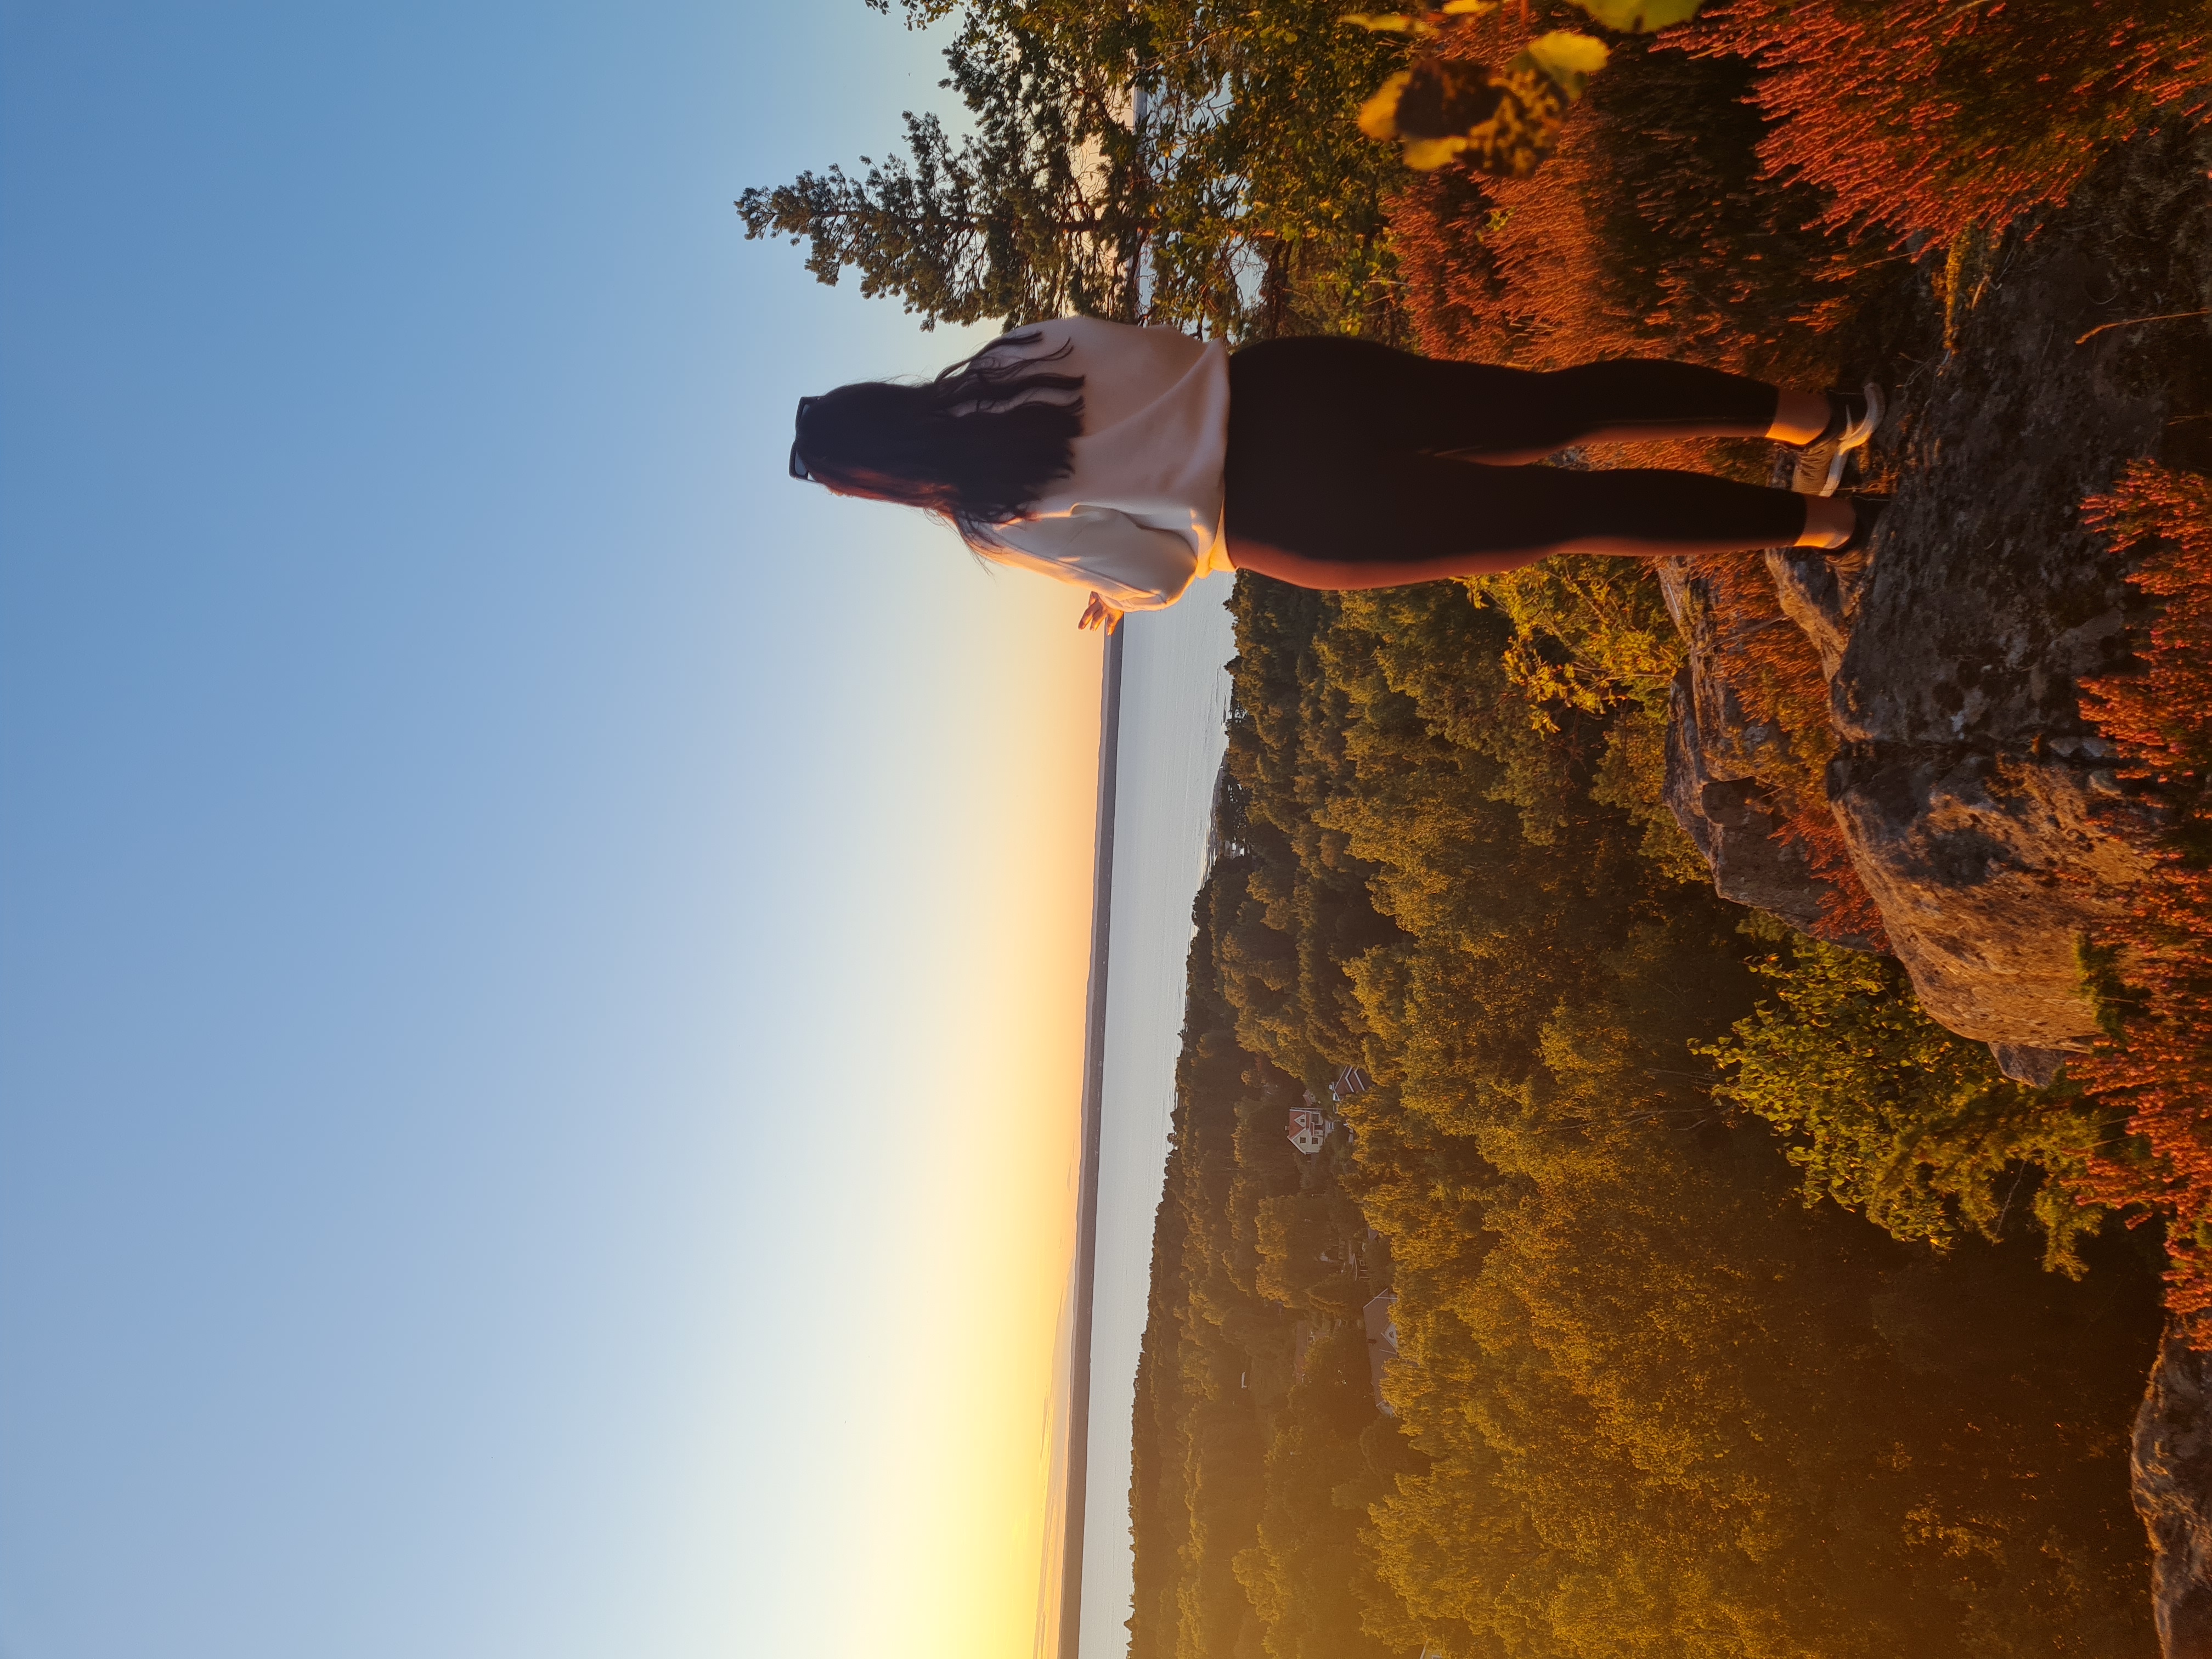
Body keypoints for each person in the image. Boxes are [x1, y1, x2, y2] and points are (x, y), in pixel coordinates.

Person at [786, 315, 1883, 633]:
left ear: (880, 484)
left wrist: (1110, 594)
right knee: (1559, 401)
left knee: (1575, 513)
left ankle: (1833, 525)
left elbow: (1160, 570)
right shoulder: (1020, 354)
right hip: (1293, 386)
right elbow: (1160, 351)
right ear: (886, 398)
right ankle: (1821, 414)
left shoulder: (996, 514)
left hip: (1290, 518)